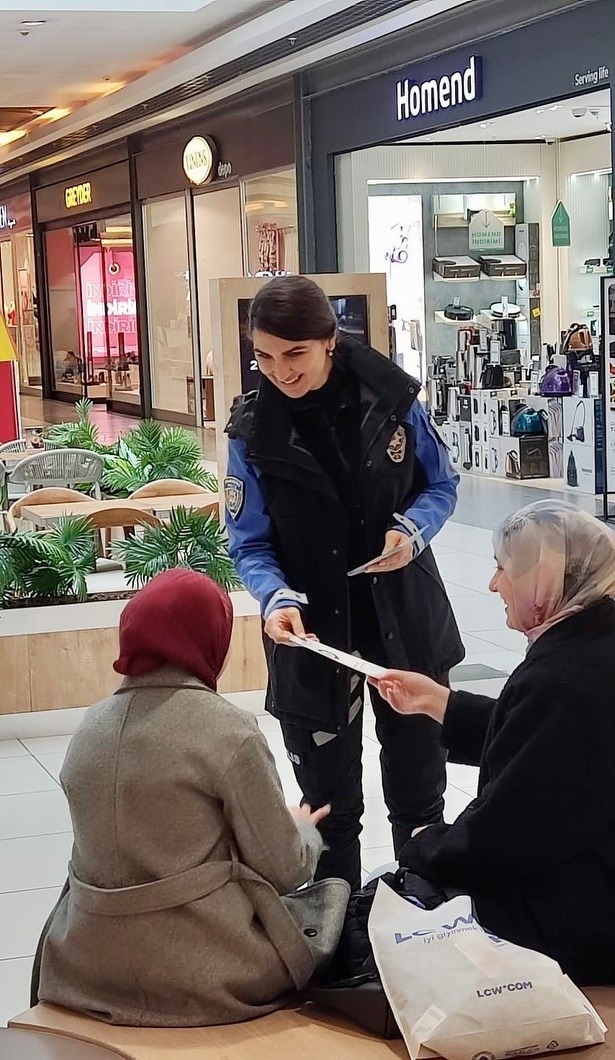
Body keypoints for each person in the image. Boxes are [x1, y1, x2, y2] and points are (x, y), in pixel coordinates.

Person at [371, 501, 615, 985]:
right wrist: (441, 704)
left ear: (542, 582)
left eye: (503, 569)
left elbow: (508, 833)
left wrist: (425, 847)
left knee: (403, 902)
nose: (494, 584)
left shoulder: (565, 678)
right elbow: (550, 745)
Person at [225, 275, 464, 890]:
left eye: (295, 354)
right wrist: (274, 598)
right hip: (311, 636)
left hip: (404, 622)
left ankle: (421, 928)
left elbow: (441, 484)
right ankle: (337, 945)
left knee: (419, 799)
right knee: (330, 814)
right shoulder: (253, 433)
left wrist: (411, 531)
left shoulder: (392, 400)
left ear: (329, 341)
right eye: (265, 357)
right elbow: (249, 542)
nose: (280, 371)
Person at [33, 569, 349, 1026]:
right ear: (211, 640)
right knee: (335, 916)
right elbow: (283, 869)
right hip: (206, 974)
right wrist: (301, 828)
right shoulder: (227, 731)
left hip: (83, 966)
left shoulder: (90, 728)